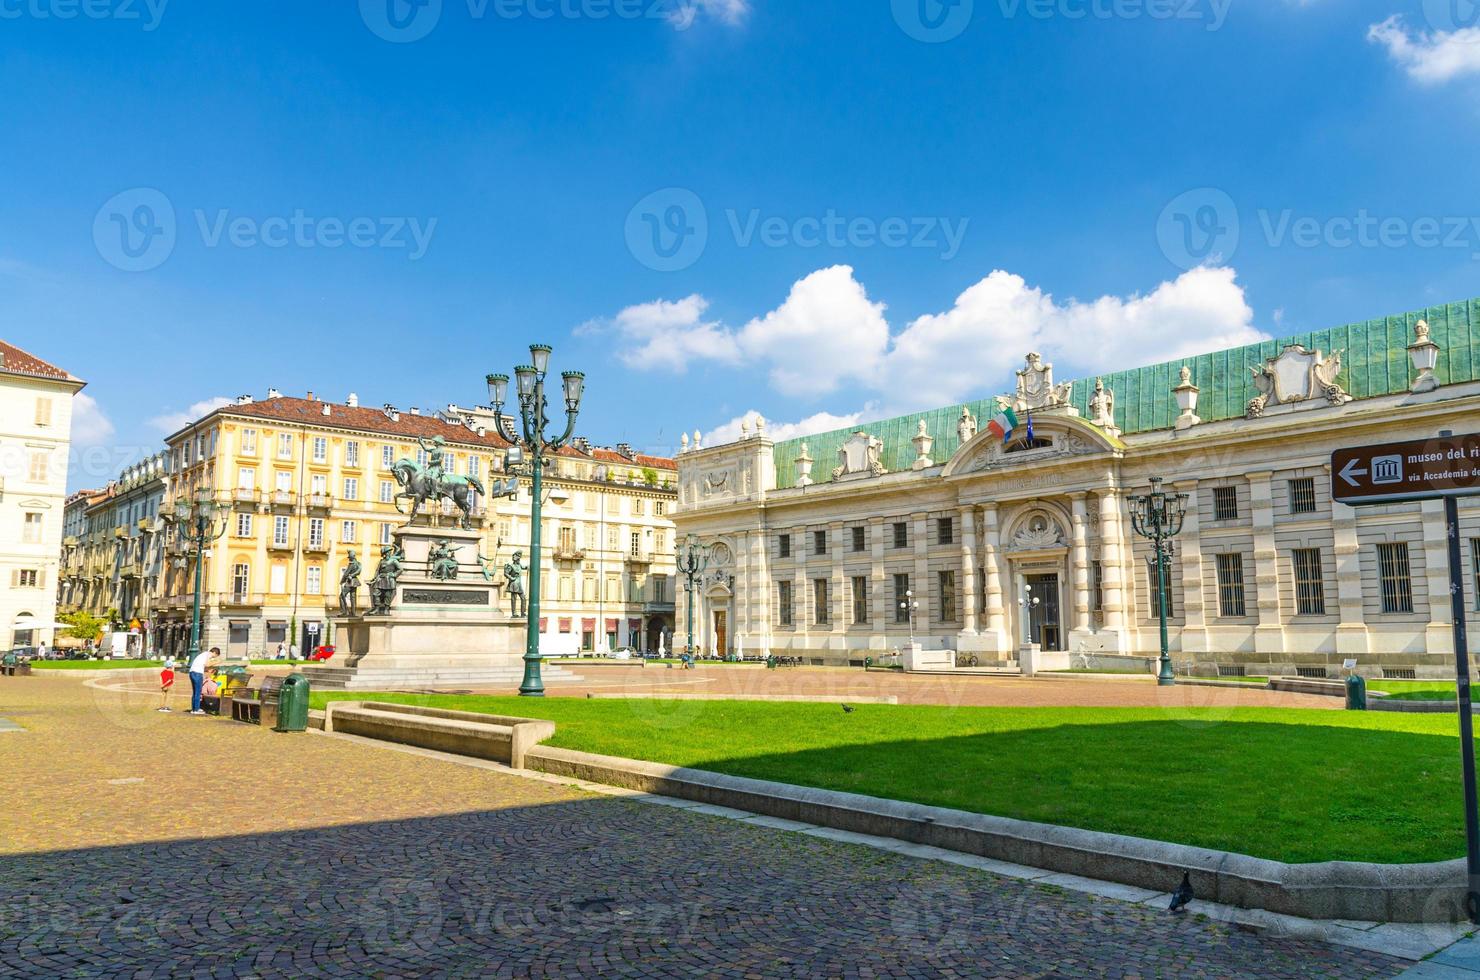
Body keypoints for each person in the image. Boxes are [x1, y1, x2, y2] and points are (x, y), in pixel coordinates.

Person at [187, 647, 218, 715]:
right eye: (215, 656)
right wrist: (217, 662)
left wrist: (207, 670)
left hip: (192, 672)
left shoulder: (203, 654)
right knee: (198, 692)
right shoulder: (208, 654)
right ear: (214, 653)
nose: (213, 658)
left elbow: (201, 665)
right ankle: (196, 709)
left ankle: (194, 708)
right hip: (197, 674)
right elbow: (207, 664)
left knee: (195, 691)